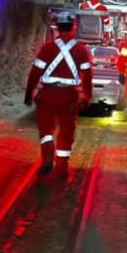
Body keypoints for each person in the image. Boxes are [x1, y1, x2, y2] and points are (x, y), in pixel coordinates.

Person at [24, 11, 93, 178]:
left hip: (48, 94)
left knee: (46, 130)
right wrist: (86, 96)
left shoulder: (47, 48)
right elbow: (87, 76)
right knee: (66, 131)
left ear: (57, 27)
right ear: (73, 27)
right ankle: (61, 167)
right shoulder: (81, 50)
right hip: (69, 96)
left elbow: (35, 72)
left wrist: (29, 93)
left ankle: (47, 158)